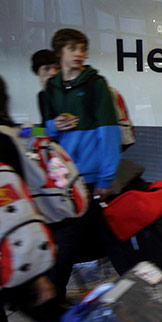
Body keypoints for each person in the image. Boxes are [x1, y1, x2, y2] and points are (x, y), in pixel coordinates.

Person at [40, 28, 122, 300]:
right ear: (59, 53)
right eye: (73, 48)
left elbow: (109, 131)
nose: (80, 54)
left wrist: (106, 179)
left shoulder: (95, 84)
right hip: (65, 178)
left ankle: (54, 301)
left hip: (89, 177)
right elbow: (44, 133)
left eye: (83, 49)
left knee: (73, 241)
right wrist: (53, 126)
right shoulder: (51, 89)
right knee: (105, 239)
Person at [0, 75, 65, 322]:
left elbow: (39, 131)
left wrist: (51, 127)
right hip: (17, 238)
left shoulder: (10, 134)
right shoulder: (10, 133)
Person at [30, 49, 60, 122]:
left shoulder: (65, 94)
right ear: (37, 71)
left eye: (57, 68)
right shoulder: (42, 95)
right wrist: (28, 130)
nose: (53, 73)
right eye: (46, 69)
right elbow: (46, 128)